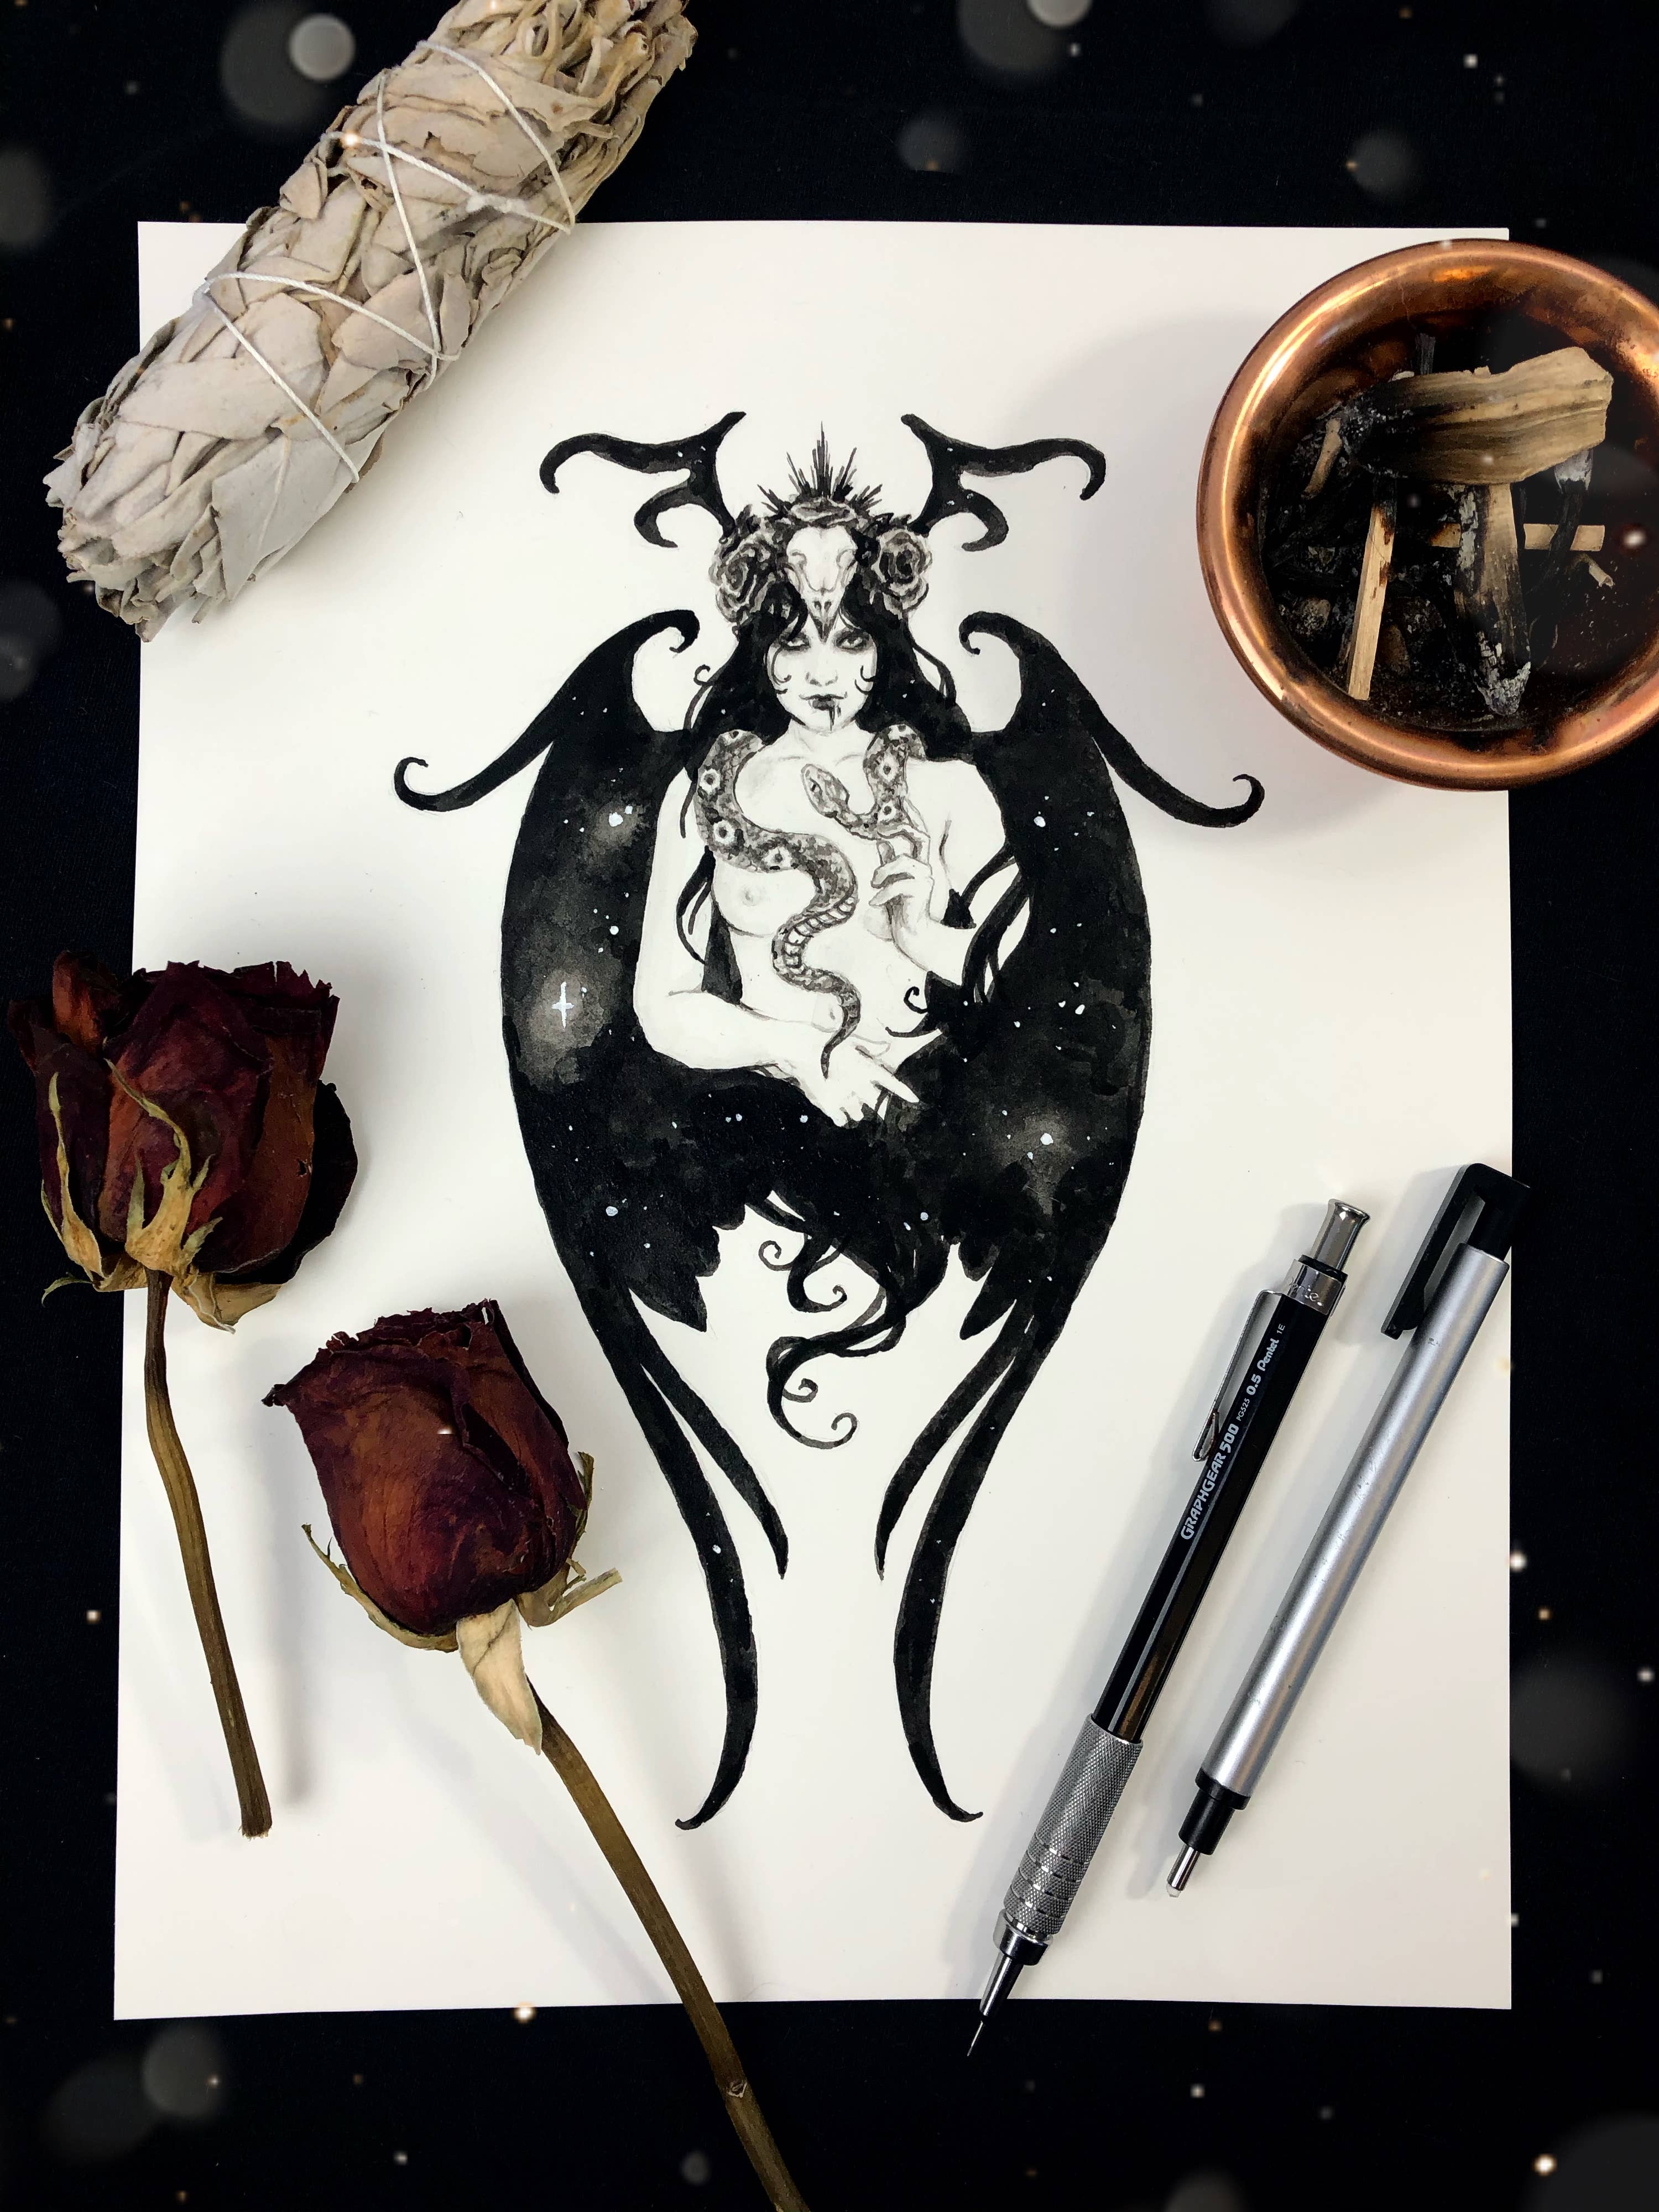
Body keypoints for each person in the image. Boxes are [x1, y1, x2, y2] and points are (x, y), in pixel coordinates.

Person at [633, 452, 1025, 1127]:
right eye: (794, 644)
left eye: (849, 642)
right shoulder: (704, 794)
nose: (822, 675)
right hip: (769, 1115)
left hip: (932, 1104)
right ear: (760, 649)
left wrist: (921, 936)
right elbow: (662, 1008)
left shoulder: (946, 786)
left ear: (883, 645)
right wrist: (799, 1050)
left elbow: (1030, 974)